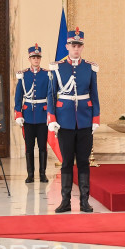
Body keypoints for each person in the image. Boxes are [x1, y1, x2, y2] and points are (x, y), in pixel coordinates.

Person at [47, 27, 100, 213]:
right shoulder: (57, 68)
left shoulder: (90, 68)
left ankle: (85, 201)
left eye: (79, 46)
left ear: (82, 47)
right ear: (67, 46)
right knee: (67, 162)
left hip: (85, 121)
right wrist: (52, 118)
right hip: (64, 121)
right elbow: (51, 95)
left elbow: (94, 94)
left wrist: (95, 118)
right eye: (73, 45)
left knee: (84, 161)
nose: (76, 48)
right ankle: (65, 201)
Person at [15, 43, 51, 184]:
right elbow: (18, 97)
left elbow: (51, 96)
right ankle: (30, 174)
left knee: (42, 146)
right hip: (28, 116)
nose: (36, 60)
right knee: (29, 147)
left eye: (38, 57)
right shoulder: (23, 75)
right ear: (29, 59)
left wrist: (51, 115)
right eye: (33, 58)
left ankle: (42, 174)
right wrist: (18, 114)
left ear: (40, 59)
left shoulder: (47, 74)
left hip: (42, 116)